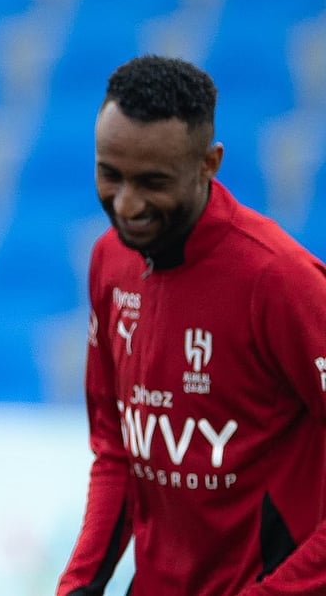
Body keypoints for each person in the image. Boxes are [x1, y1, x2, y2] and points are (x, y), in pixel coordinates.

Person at [57, 55, 326, 595]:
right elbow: (117, 452)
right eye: (110, 174)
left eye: (153, 182)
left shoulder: (281, 281)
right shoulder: (110, 261)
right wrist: (79, 585)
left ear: (209, 164)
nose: (127, 203)